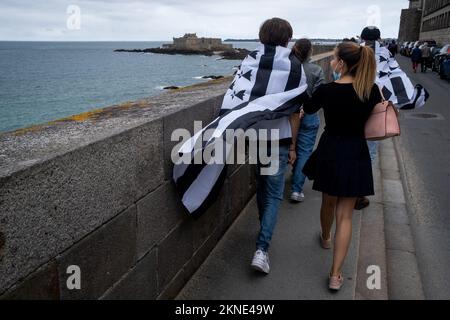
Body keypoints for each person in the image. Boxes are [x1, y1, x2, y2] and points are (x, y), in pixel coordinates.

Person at [302, 42, 380, 291]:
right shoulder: (371, 89)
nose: (333, 62)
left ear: (342, 64)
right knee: (346, 215)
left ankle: (325, 237)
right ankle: (336, 275)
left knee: (328, 201)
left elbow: (309, 107)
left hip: (331, 150)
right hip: (356, 152)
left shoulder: (327, 90)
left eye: (335, 58)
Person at [250, 18, 304, 275]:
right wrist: (293, 146)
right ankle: (262, 249)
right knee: (272, 194)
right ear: (287, 38)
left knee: (262, 188)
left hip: (253, 138)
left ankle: (264, 231)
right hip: (279, 140)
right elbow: (295, 113)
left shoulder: (250, 61)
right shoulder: (295, 66)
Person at [290, 39, 325, 203]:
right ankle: (296, 190)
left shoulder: (289, 68)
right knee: (304, 152)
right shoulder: (317, 70)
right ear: (310, 52)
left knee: (289, 147)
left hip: (289, 115)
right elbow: (319, 95)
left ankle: (289, 176)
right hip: (309, 115)